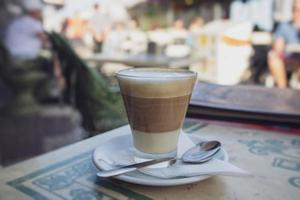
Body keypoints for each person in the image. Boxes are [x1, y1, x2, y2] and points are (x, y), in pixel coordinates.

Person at [268, 0, 300, 89]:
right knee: (273, 57)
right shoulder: (284, 26)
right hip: (287, 57)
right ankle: (283, 90)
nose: (297, 12)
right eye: (295, 9)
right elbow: (278, 48)